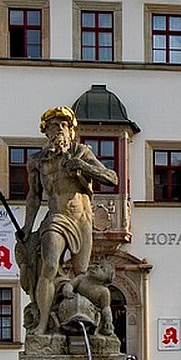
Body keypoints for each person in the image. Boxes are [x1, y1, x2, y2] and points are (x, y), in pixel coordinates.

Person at [20, 106, 117, 334]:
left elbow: (112, 178)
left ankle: (86, 324)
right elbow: (34, 196)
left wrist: (82, 167)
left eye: (64, 126)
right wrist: (27, 226)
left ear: (71, 131)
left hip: (82, 220)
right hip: (55, 218)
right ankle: (43, 323)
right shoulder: (36, 161)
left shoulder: (81, 152)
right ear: (46, 132)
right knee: (50, 266)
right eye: (54, 126)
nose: (59, 130)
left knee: (82, 272)